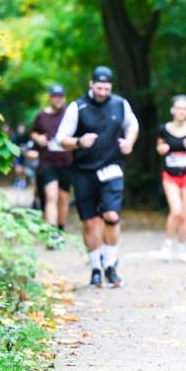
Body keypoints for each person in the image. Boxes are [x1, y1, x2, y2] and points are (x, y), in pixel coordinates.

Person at [56, 66, 139, 288]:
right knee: (90, 222)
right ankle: (95, 267)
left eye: (107, 87)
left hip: (111, 168)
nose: (103, 91)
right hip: (83, 171)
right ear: (91, 84)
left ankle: (111, 265)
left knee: (111, 216)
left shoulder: (120, 104)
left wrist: (129, 142)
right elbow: (61, 138)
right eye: (99, 87)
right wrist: (79, 142)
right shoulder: (78, 107)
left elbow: (132, 126)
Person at [156, 94, 186, 261]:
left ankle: (182, 247)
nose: (181, 111)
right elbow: (159, 148)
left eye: (184, 108)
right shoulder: (164, 129)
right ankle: (167, 245)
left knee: (184, 214)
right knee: (175, 211)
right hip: (170, 175)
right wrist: (163, 148)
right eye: (178, 108)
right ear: (172, 110)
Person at [30, 84, 73, 244]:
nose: (58, 99)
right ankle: (51, 233)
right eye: (55, 96)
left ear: (64, 98)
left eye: (61, 96)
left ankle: (60, 230)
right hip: (47, 162)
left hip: (66, 162)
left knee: (63, 198)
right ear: (50, 98)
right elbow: (33, 132)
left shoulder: (70, 115)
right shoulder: (42, 116)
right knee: (51, 196)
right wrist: (38, 138)